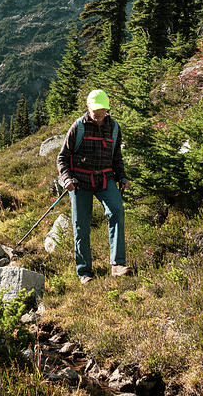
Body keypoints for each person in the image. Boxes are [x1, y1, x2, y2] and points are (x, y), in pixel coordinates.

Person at [56, 89, 131, 284]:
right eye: (95, 110)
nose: (98, 115)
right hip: (80, 183)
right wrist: (67, 179)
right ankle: (84, 272)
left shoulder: (114, 127)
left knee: (116, 211)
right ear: (88, 107)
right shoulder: (78, 127)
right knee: (81, 225)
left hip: (105, 179)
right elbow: (62, 157)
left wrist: (122, 177)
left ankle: (117, 265)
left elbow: (116, 157)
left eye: (102, 111)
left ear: (107, 109)